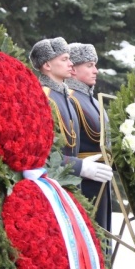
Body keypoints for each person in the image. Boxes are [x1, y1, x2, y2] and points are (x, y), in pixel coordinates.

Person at [29, 38, 112, 185]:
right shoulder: (43, 98)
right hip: (53, 184)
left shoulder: (64, 96)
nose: (71, 63)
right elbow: (39, 154)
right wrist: (78, 166)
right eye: (65, 59)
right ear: (47, 65)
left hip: (71, 182)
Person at [65, 43, 113, 236]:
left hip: (101, 178)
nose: (96, 70)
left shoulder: (92, 100)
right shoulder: (69, 98)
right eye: (90, 65)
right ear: (74, 69)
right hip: (83, 182)